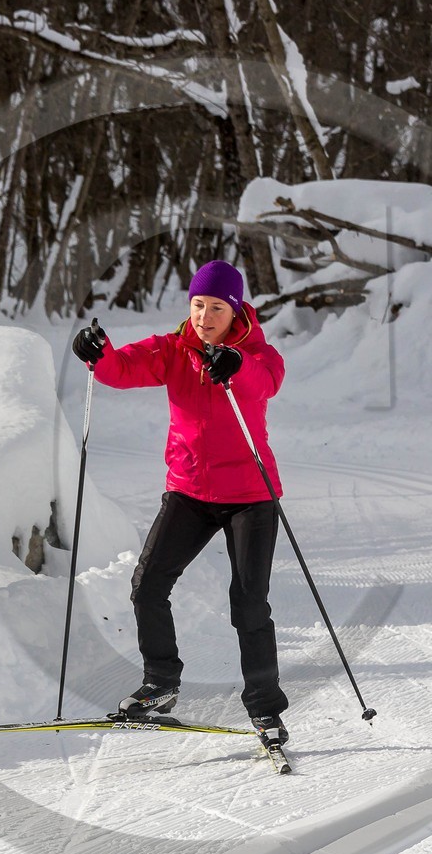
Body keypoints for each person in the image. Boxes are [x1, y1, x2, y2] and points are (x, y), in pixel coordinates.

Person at [71, 260, 290, 747]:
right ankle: (160, 684)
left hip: (251, 497)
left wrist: (235, 366)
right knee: (148, 584)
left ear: (235, 312)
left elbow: (264, 381)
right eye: (197, 305)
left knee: (249, 605)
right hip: (190, 490)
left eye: (216, 308)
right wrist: (98, 354)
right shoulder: (174, 351)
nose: (204, 316)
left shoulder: (260, 355)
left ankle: (265, 710)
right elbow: (123, 368)